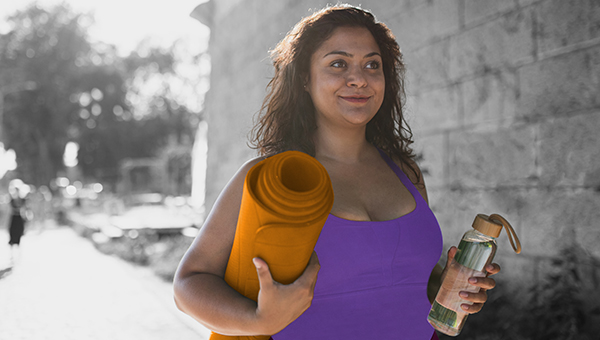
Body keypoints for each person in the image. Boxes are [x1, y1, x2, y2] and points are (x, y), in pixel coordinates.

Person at [174, 5, 501, 339]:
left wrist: (454, 288)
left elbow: (401, 287)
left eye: (372, 64)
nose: (359, 78)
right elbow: (188, 282)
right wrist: (257, 320)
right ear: (304, 77)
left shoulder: (406, 172)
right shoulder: (269, 179)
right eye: (338, 63)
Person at [8, 179, 28, 263]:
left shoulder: (23, 199)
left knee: (19, 234)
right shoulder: (12, 200)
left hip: (19, 218)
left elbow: (24, 209)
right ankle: (12, 254)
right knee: (12, 235)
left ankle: (19, 254)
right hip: (14, 218)